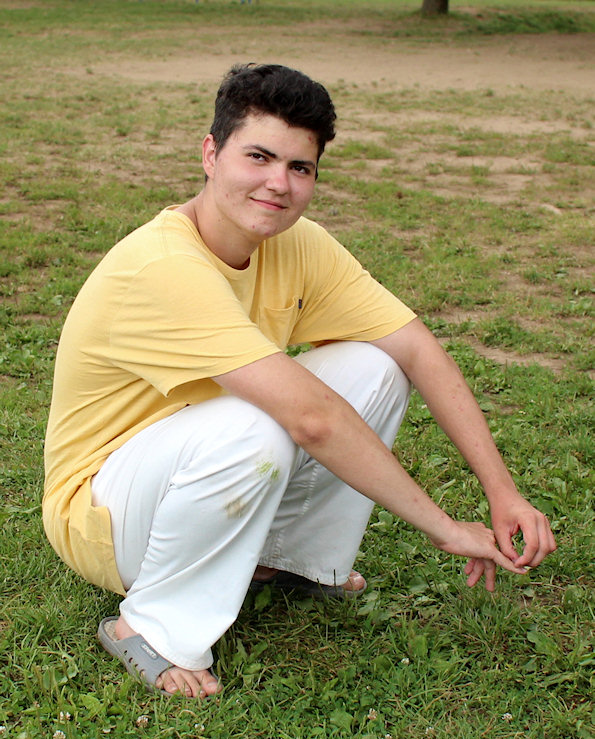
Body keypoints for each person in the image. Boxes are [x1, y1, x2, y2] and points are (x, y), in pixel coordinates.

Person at [43, 63, 556, 699]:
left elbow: (416, 348)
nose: (278, 184)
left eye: (299, 167)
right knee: (264, 420)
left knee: (375, 364)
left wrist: (502, 492)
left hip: (191, 461)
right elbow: (313, 419)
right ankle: (150, 627)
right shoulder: (162, 266)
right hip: (106, 515)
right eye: (258, 157)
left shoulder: (298, 244)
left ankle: (286, 561)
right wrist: (446, 528)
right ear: (211, 154)